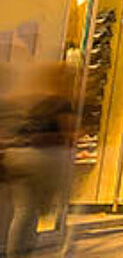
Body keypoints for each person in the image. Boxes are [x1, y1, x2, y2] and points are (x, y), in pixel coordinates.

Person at [3, 61, 76, 258]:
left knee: (24, 210)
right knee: (39, 208)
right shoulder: (63, 103)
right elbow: (67, 133)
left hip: (18, 157)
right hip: (41, 160)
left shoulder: (38, 103)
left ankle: (14, 253)